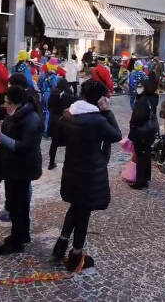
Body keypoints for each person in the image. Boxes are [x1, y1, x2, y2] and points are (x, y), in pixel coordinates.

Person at [52, 79, 122, 271]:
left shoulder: (68, 114)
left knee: (75, 206)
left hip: (72, 169)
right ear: (99, 99)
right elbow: (116, 135)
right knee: (83, 214)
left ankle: (60, 245)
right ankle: (75, 256)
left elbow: (59, 139)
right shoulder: (98, 120)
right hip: (90, 173)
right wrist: (108, 112)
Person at [0, 86, 43, 255]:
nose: (5, 105)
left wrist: (0, 137)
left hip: (22, 169)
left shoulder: (31, 119)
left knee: (18, 205)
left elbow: (25, 146)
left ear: (17, 103)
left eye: (8, 103)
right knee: (17, 203)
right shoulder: (16, 112)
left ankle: (17, 241)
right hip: (13, 168)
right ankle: (21, 235)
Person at [128, 74, 159, 189]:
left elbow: (139, 118)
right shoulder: (153, 97)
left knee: (141, 156)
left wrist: (133, 125)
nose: (138, 87)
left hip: (141, 133)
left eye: (141, 86)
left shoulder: (143, 100)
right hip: (149, 132)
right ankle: (145, 178)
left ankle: (140, 182)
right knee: (146, 155)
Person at [48, 78, 77, 170]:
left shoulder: (52, 93)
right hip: (64, 120)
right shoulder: (66, 94)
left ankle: (51, 163)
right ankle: (69, 163)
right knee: (69, 142)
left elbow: (48, 105)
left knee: (54, 143)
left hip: (53, 120)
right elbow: (74, 102)